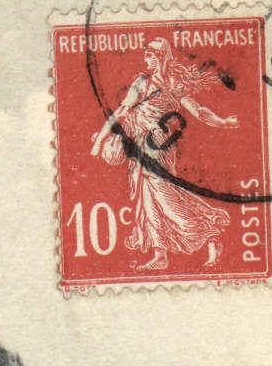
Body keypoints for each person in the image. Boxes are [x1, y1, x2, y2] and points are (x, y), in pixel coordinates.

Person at [88, 36, 240, 271]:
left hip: (160, 145)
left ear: (161, 58)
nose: (145, 59)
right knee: (147, 198)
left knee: (165, 196)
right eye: (145, 55)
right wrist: (99, 141)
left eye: (150, 55)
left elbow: (198, 111)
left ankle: (210, 233)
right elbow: (122, 110)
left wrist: (224, 122)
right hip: (140, 143)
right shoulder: (141, 82)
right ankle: (160, 255)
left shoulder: (174, 83)